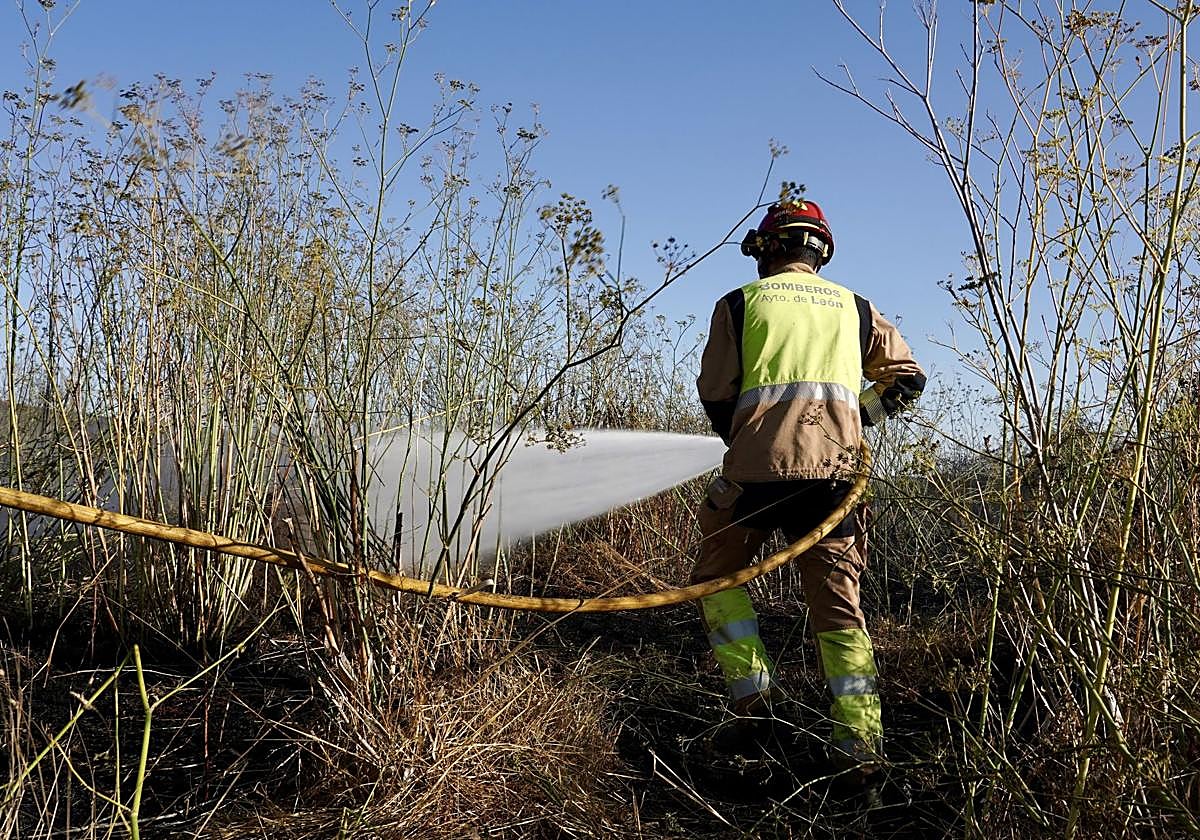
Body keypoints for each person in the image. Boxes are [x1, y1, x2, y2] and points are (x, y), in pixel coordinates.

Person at [693, 197, 926, 778]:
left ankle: (754, 705)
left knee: (715, 580)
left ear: (767, 248)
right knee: (839, 608)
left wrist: (746, 441)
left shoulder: (739, 304)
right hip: (837, 480)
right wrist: (857, 420)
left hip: (751, 478)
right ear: (819, 250)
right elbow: (907, 377)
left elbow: (717, 392)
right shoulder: (856, 307)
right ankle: (861, 744)